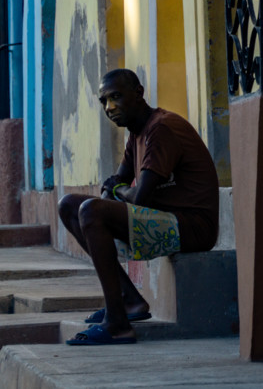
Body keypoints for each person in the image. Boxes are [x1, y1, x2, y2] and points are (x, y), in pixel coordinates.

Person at [58, 68, 219, 345]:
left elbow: (138, 195)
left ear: (139, 93)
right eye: (104, 101)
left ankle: (117, 324)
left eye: (116, 97)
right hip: (166, 219)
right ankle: (129, 300)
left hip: (192, 226)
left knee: (91, 210)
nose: (109, 107)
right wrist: (117, 190)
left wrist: (117, 191)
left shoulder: (161, 128)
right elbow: (117, 182)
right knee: (69, 206)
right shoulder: (136, 132)